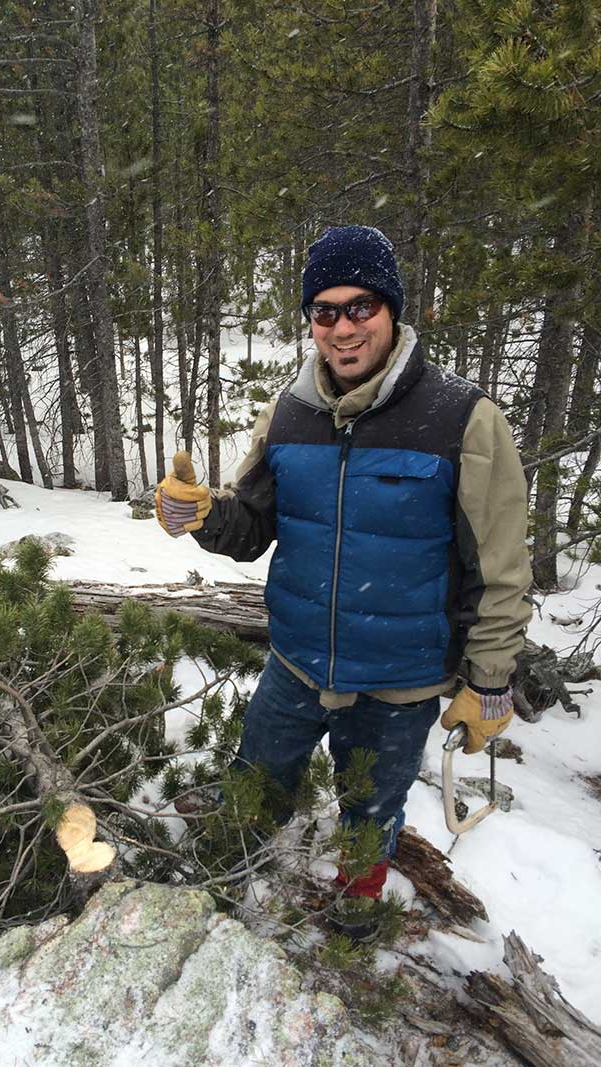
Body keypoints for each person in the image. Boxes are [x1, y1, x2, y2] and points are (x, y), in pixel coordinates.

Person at [155, 225, 531, 911]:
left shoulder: (462, 419)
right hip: (296, 661)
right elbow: (256, 524)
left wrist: (491, 680)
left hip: (398, 683)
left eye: (361, 306)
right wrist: (201, 512)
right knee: (256, 780)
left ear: (392, 308)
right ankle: (227, 871)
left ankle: (357, 907)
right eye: (324, 311)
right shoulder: (291, 412)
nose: (343, 327)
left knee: (370, 812)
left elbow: (501, 568)